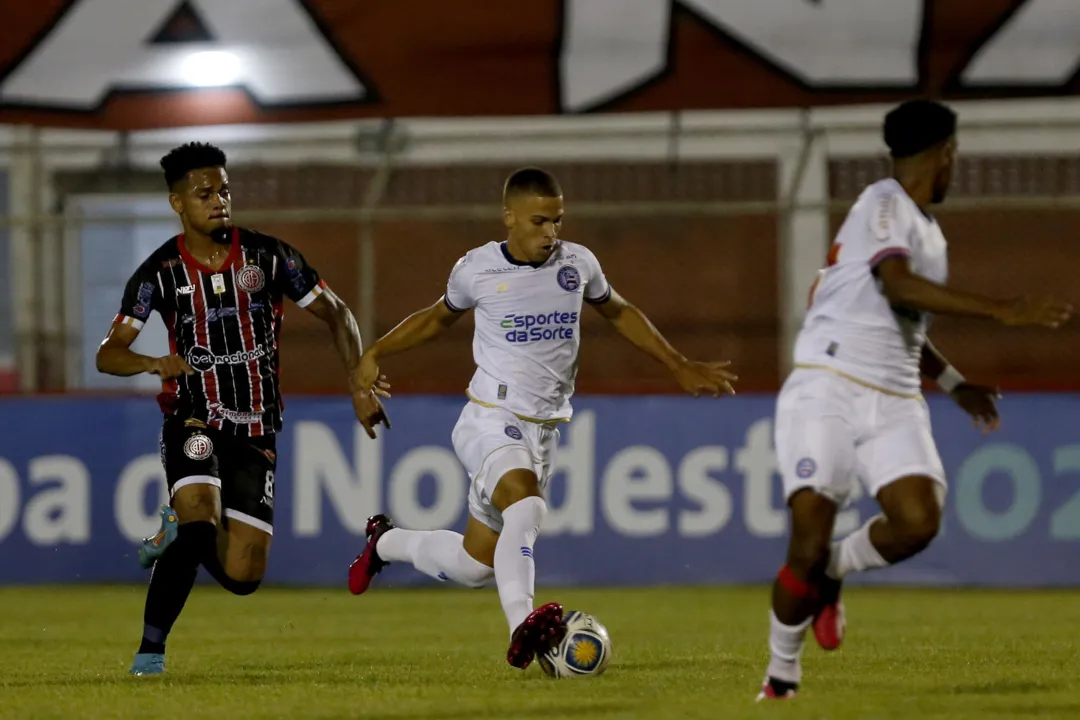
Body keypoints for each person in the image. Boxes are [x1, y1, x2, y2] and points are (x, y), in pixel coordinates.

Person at [346, 167, 738, 670]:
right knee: (527, 509)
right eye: (538, 221)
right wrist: (376, 351)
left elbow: (619, 312)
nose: (550, 232)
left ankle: (386, 543)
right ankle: (525, 630)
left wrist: (678, 364)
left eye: (556, 221)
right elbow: (436, 317)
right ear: (509, 217)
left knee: (474, 565)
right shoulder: (478, 269)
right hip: (490, 414)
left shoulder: (578, 263)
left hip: (545, 429)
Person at [758, 99, 1072, 701]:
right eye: (956, 155)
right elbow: (894, 282)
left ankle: (833, 571)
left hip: (896, 393)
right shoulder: (883, 202)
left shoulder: (928, 233)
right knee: (806, 533)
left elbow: (905, 320)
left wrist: (955, 384)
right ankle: (781, 677)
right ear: (946, 153)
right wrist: (1003, 309)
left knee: (918, 521)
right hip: (829, 382)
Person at [96, 142, 390, 676]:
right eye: (204, 193)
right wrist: (150, 363)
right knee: (200, 526)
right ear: (177, 203)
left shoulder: (268, 256)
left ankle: (172, 530)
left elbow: (338, 312)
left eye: (225, 190)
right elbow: (107, 354)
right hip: (193, 416)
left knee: (244, 575)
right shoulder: (159, 272)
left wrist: (358, 383)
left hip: (256, 427)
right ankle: (150, 652)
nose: (219, 201)